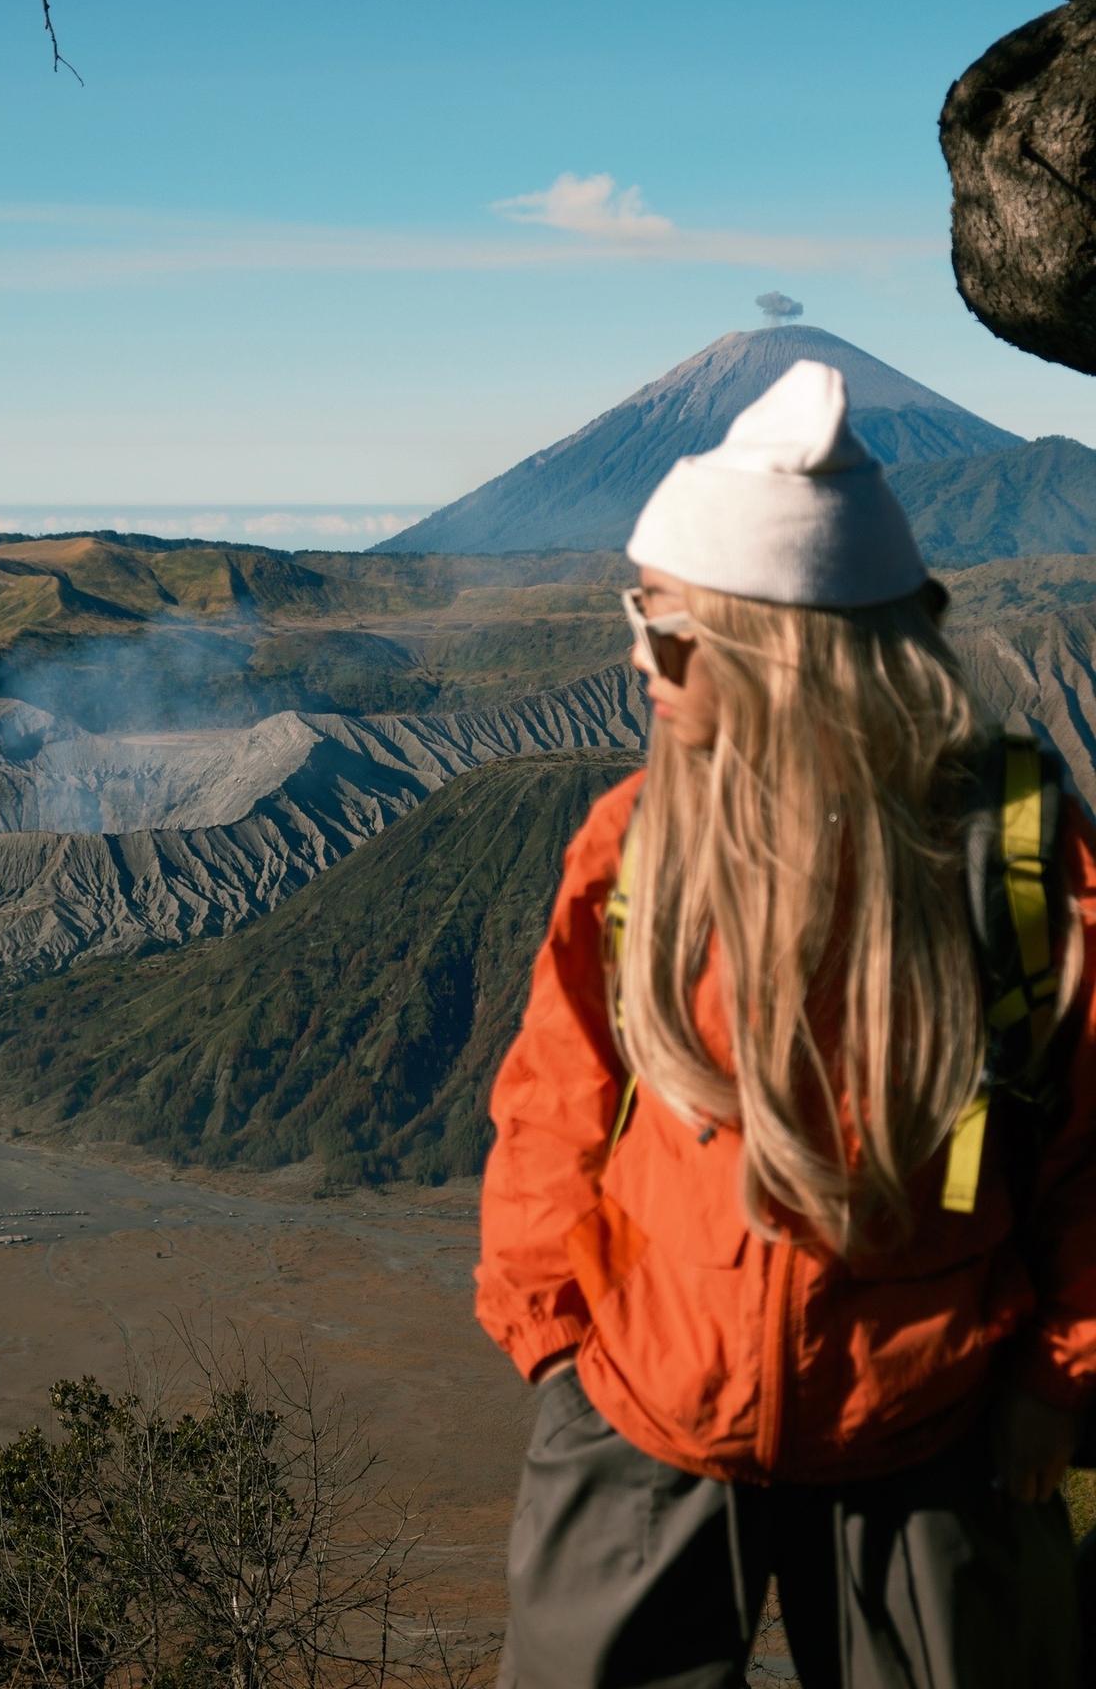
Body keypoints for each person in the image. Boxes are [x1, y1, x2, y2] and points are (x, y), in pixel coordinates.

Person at [474, 359, 1096, 1689]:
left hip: (927, 1432)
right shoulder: (638, 840)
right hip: (642, 1403)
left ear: (774, 659)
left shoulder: (1017, 859)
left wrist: (1055, 1379)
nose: (635, 659)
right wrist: (556, 1345)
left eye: (665, 631)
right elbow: (554, 1099)